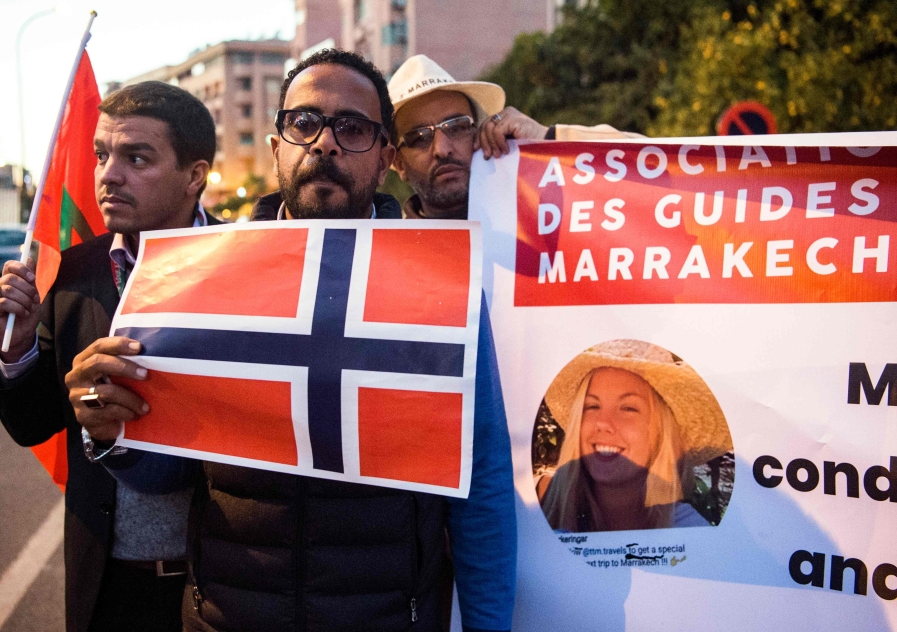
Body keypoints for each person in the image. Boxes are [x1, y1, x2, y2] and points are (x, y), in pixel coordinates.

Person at [95, 49, 517, 632]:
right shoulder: (212, 276)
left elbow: (482, 486)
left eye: (352, 128)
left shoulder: (438, 284)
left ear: (387, 157)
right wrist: (115, 429)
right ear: (277, 147)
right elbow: (163, 476)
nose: (325, 143)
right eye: (304, 123)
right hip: (228, 618)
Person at [0, 81, 217, 632]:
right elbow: (33, 424)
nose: (109, 174)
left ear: (195, 175)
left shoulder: (244, 269)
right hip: (108, 578)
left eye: (137, 158)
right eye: (102, 155)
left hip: (221, 581)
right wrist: (13, 351)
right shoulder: (70, 274)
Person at [387, 54, 643, 220]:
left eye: (456, 126)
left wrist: (548, 138)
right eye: (418, 137)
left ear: (479, 132)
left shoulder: (544, 214)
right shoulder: (392, 260)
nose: (442, 148)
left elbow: (659, 169)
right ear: (398, 164)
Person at [537, 339, 733, 533]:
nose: (603, 423)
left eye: (628, 408)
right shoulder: (533, 514)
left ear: (662, 432)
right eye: (592, 406)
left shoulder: (690, 536)